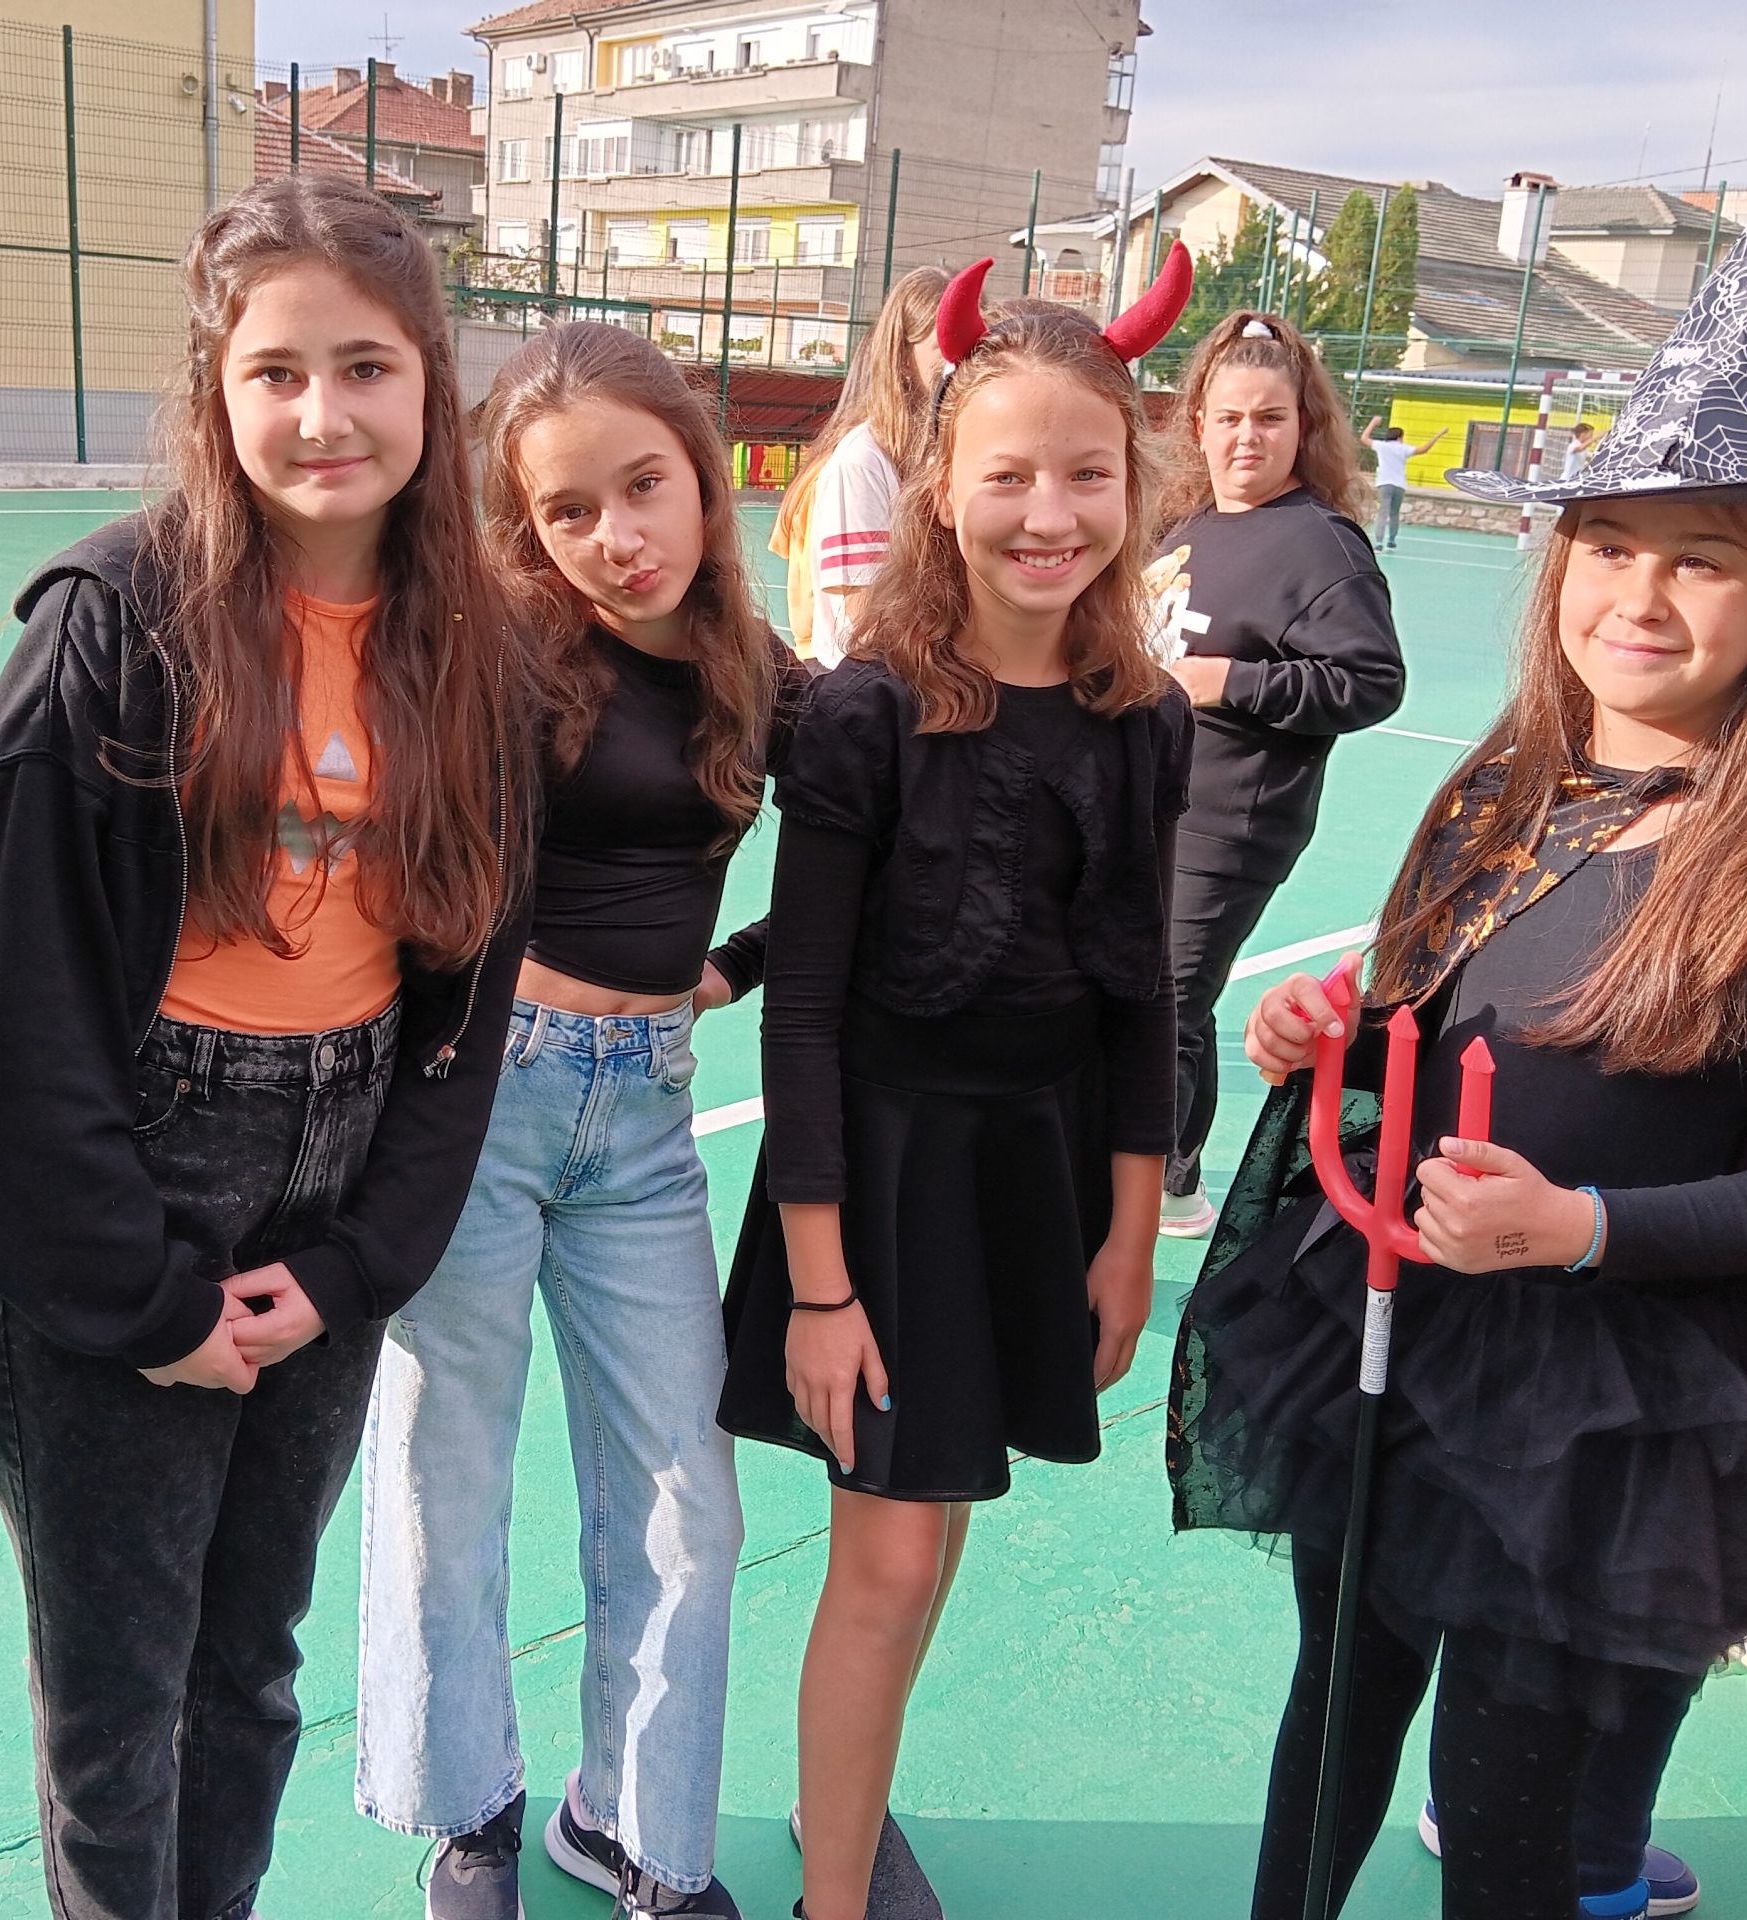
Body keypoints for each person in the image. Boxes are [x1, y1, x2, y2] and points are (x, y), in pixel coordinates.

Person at [1167, 95, 1747, 1920]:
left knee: (1510, 1819)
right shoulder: (1501, 793)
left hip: (1606, 1414)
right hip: (1402, 1341)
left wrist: (1580, 1226)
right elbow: (1423, 1024)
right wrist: (1333, 1044)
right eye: (1610, 546)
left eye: (1703, 559)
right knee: (1333, 1720)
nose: (1641, 596)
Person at [0, 175, 534, 1920]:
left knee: (252, 1666)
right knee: (118, 1704)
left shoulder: (475, 652)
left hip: (329, 1188)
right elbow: (21, 1016)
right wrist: (146, 1301)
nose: (323, 415)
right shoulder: (115, 624)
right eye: (276, 371)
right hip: (136, 1182)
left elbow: (463, 1011)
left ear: (430, 383)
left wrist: (352, 1269)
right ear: (215, 389)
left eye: (366, 368)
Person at [719, 254, 1194, 1920]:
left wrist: (1128, 1232)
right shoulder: (865, 715)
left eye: (1087, 474)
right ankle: (834, 1899)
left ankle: (838, 1821)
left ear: (1136, 489)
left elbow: (1140, 988)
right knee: (893, 1547)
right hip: (884, 1177)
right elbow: (805, 1014)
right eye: (1009, 475)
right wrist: (821, 1286)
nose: (1049, 515)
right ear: (940, 486)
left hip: (1036, 1174)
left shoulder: (1145, 722)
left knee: (943, 1524)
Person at [354, 322, 803, 1920]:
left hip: (649, 1123)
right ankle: (466, 1804)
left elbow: (883, 837)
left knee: (689, 1499)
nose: (618, 536)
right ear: (523, 526)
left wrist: (735, 966)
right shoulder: (505, 652)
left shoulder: (755, 668)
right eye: (568, 510)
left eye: (644, 486)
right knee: (447, 1472)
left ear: (704, 474)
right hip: (480, 1098)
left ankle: (630, 1826)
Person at [1148, 310, 1405, 1238]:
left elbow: (1372, 679)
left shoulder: (1320, 544)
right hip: (1153, 803)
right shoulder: (1187, 526)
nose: (1245, 437)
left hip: (1233, 818)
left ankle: (1157, 1186)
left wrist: (1233, 681)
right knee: (1154, 993)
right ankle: (1164, 1174)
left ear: (1304, 427)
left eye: (1268, 418)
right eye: (1228, 417)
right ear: (1199, 424)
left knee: (1169, 998)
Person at [768, 267, 949, 665]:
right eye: (944, 344)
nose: (960, 359)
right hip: (869, 678)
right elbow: (867, 619)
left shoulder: (943, 454)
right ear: (903, 357)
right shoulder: (861, 463)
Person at [1360, 417, 1446, 551]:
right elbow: (1423, 449)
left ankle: (1379, 542)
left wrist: (1373, 423)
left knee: (1383, 513)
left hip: (1384, 483)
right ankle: (1391, 540)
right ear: (1400, 437)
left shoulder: (1381, 446)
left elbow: (1364, 438)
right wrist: (1438, 435)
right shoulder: (1404, 448)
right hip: (1399, 485)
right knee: (1394, 513)